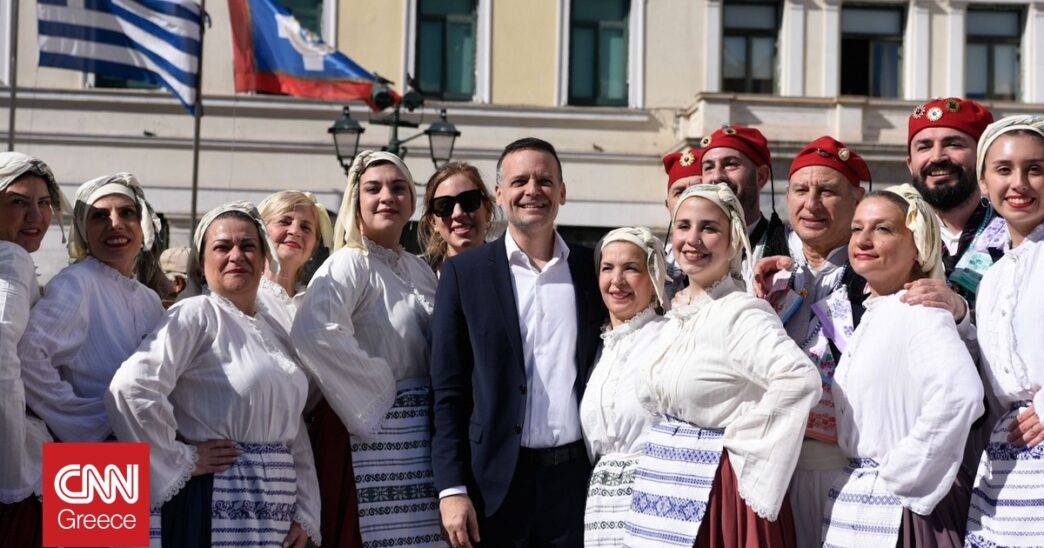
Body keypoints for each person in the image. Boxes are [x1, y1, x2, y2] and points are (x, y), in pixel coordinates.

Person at [107, 202, 320, 547]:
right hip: (219, 495)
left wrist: (306, 511)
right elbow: (130, 389)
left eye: (248, 246)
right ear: (203, 264)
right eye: (222, 247)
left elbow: (293, 427)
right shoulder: (196, 314)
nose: (236, 255)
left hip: (276, 507)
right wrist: (182, 459)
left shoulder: (273, 328)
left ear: (264, 259)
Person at [431, 137, 605, 547]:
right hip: (493, 487)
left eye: (544, 181)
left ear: (562, 192)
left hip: (574, 486)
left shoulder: (592, 269)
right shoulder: (464, 275)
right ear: (499, 194)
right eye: (519, 181)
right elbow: (447, 392)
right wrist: (451, 489)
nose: (532, 190)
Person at [624, 184, 820, 547]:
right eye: (683, 226)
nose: (692, 239)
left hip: (714, 493)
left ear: (733, 242)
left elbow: (799, 378)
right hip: (667, 486)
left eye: (709, 228)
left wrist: (740, 445)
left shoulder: (740, 313)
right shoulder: (679, 313)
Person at [292, 151, 442, 547]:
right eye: (373, 189)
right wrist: (379, 389)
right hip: (371, 433)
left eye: (398, 188)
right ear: (356, 200)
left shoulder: (419, 269)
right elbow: (313, 331)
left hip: (419, 438)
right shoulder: (349, 263)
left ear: (412, 200)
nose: (387, 197)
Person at [822, 185, 984, 546]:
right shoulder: (877, 313)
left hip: (904, 510)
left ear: (918, 246)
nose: (864, 239)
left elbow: (960, 394)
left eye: (883, 229)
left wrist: (904, 473)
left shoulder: (920, 311)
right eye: (857, 228)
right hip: (862, 501)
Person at [19, 172, 164, 443]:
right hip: (95, 448)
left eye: (126, 213)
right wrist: (90, 421)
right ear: (84, 231)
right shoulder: (76, 282)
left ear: (142, 223)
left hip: (143, 439)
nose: (115, 224)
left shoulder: (149, 299)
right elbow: (27, 356)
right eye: (99, 216)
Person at [964, 115, 1044, 547]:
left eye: (1035, 169)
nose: (1019, 183)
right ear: (983, 183)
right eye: (1004, 169)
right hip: (1007, 465)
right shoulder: (992, 278)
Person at [580, 227, 668, 547]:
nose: (616, 280)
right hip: (601, 505)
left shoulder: (671, 336)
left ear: (654, 277)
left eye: (631, 268)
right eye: (608, 268)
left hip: (655, 496)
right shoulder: (598, 347)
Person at [0, 153, 67, 546]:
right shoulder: (12, 257)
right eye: (18, 202)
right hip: (38, 465)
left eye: (44, 203)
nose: (36, 216)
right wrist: (14, 471)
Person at [700, 124, 789, 286]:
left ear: (760, 177)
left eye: (730, 164)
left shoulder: (790, 245)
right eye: (709, 167)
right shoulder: (690, 249)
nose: (716, 176)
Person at [257, 190, 333, 328]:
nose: (295, 231)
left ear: (313, 248)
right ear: (260, 232)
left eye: (305, 227)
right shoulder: (245, 297)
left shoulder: (318, 305)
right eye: (284, 222)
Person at [418, 161, 495, 273]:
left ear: (488, 210)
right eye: (444, 205)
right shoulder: (417, 274)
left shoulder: (512, 270)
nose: (458, 213)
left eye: (469, 201)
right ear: (433, 222)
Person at [661, 149, 702, 299]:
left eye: (697, 189)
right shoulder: (657, 262)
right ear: (668, 205)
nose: (687, 198)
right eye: (679, 192)